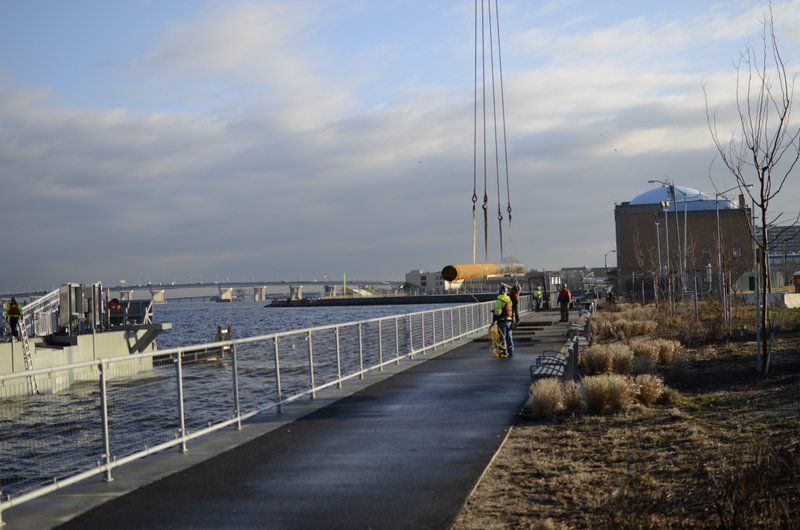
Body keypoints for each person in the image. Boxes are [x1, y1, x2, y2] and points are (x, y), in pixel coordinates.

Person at [493, 285, 514, 357]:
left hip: (501, 321)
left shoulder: (499, 300)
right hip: (509, 320)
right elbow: (510, 310)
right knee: (509, 337)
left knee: (502, 337)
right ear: (506, 292)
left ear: (500, 292)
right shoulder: (509, 300)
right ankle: (511, 351)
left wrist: (494, 314)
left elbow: (498, 312)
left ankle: (503, 352)